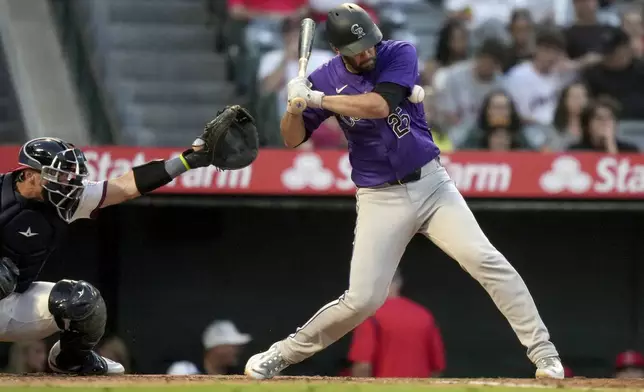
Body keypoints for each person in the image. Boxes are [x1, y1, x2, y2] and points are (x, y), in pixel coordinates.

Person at [244, 3, 564, 381]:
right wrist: (295, 107)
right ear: (338, 52)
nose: (366, 54)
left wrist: (316, 100)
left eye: (368, 46)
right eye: (356, 51)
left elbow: (379, 106)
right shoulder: (324, 78)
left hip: (431, 185)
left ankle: (545, 355)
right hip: (380, 197)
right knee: (362, 301)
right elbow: (291, 138)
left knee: (487, 261)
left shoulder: (397, 53)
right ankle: (281, 354)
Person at [0, 105, 258, 376]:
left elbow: (125, 187)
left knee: (82, 302)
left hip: (14, 306)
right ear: (28, 174)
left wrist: (189, 160)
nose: (68, 184)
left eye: (70, 176)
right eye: (59, 176)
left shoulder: (65, 200)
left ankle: (70, 362)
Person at [347, 268, 445, 378]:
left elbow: (363, 366)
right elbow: (436, 368)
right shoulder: (425, 315)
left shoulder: (371, 315)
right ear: (399, 282)